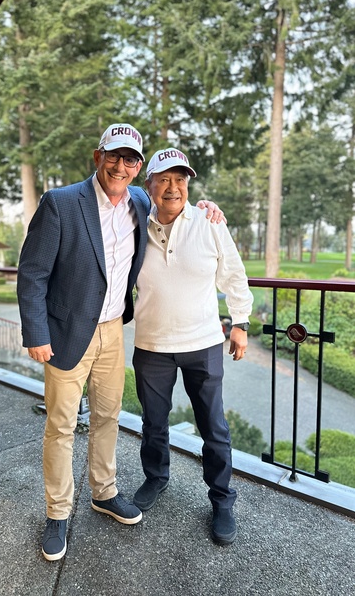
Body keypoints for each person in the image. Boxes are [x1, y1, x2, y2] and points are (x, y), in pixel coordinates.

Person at [17, 124, 224, 561]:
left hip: (113, 330)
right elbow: (33, 274)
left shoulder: (141, 203)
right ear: (98, 157)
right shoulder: (60, 203)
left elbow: (176, 207)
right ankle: (58, 512)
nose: (120, 166)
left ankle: (104, 492)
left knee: (108, 418)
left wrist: (208, 207)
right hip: (65, 334)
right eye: (114, 155)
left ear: (138, 167)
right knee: (61, 426)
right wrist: (36, 333)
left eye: (131, 159)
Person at [132, 147, 253, 546]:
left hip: (203, 344)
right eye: (164, 179)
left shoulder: (209, 221)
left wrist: (240, 323)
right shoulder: (133, 223)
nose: (173, 187)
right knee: (153, 423)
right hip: (152, 345)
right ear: (148, 184)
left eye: (180, 180)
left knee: (213, 428)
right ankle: (156, 478)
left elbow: (234, 275)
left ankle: (222, 499)